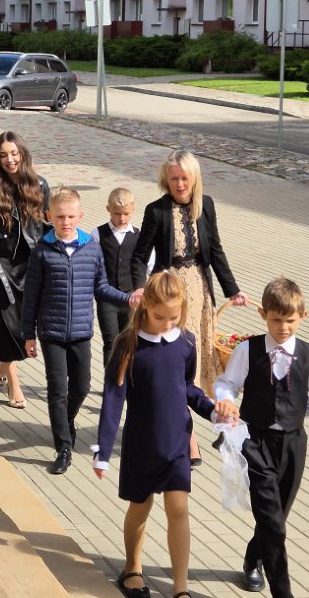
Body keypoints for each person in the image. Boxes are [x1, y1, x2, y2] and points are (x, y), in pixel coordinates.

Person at [93, 272, 238, 598]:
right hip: (142, 444)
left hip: (176, 443)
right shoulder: (128, 345)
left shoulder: (185, 342)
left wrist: (214, 412)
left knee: (178, 509)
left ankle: (181, 587)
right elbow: (113, 400)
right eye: (160, 317)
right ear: (144, 306)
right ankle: (132, 568)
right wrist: (102, 450)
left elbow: (187, 388)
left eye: (174, 317)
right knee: (140, 507)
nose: (167, 324)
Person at [131, 148, 248, 465]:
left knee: (203, 362)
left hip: (201, 293)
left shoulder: (205, 205)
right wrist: (140, 288)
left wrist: (233, 290)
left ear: (194, 178)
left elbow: (217, 251)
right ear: (165, 180)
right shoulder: (156, 211)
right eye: (174, 179)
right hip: (172, 296)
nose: (180, 184)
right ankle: (190, 441)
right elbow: (140, 256)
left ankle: (216, 419)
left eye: (184, 178)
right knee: (180, 366)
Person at [22, 186, 136, 475]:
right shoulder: (42, 250)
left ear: (80, 216)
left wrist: (128, 299)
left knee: (82, 386)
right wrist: (28, 334)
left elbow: (101, 287)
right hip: (51, 332)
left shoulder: (91, 248)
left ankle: (66, 420)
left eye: (71, 217)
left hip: (81, 331)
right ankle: (63, 447)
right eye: (60, 217)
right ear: (49, 216)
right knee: (57, 389)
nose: (66, 222)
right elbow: (31, 295)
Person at [215, 277, 309, 598]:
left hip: (294, 444)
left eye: (290, 320)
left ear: (302, 316)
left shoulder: (306, 354)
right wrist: (225, 400)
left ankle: (253, 558)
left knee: (276, 517)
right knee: (274, 523)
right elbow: (227, 383)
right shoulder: (248, 349)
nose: (283, 327)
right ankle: (283, 592)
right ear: (263, 314)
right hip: (255, 442)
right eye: (276, 320)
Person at [0, 131, 49, 409]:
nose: (10, 160)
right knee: (7, 325)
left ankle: (3, 363)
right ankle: (14, 383)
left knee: (26, 326)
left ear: (22, 154)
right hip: (0, 265)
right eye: (3, 155)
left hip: (31, 265)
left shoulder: (40, 185)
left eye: (14, 153)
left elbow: (48, 225)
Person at [91, 187, 154, 367]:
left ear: (133, 210)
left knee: (130, 339)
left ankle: (128, 377)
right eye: (117, 213)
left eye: (126, 214)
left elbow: (149, 265)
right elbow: (93, 264)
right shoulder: (97, 234)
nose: (122, 218)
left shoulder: (139, 236)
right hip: (107, 298)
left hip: (132, 297)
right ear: (108, 209)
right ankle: (111, 380)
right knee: (111, 340)